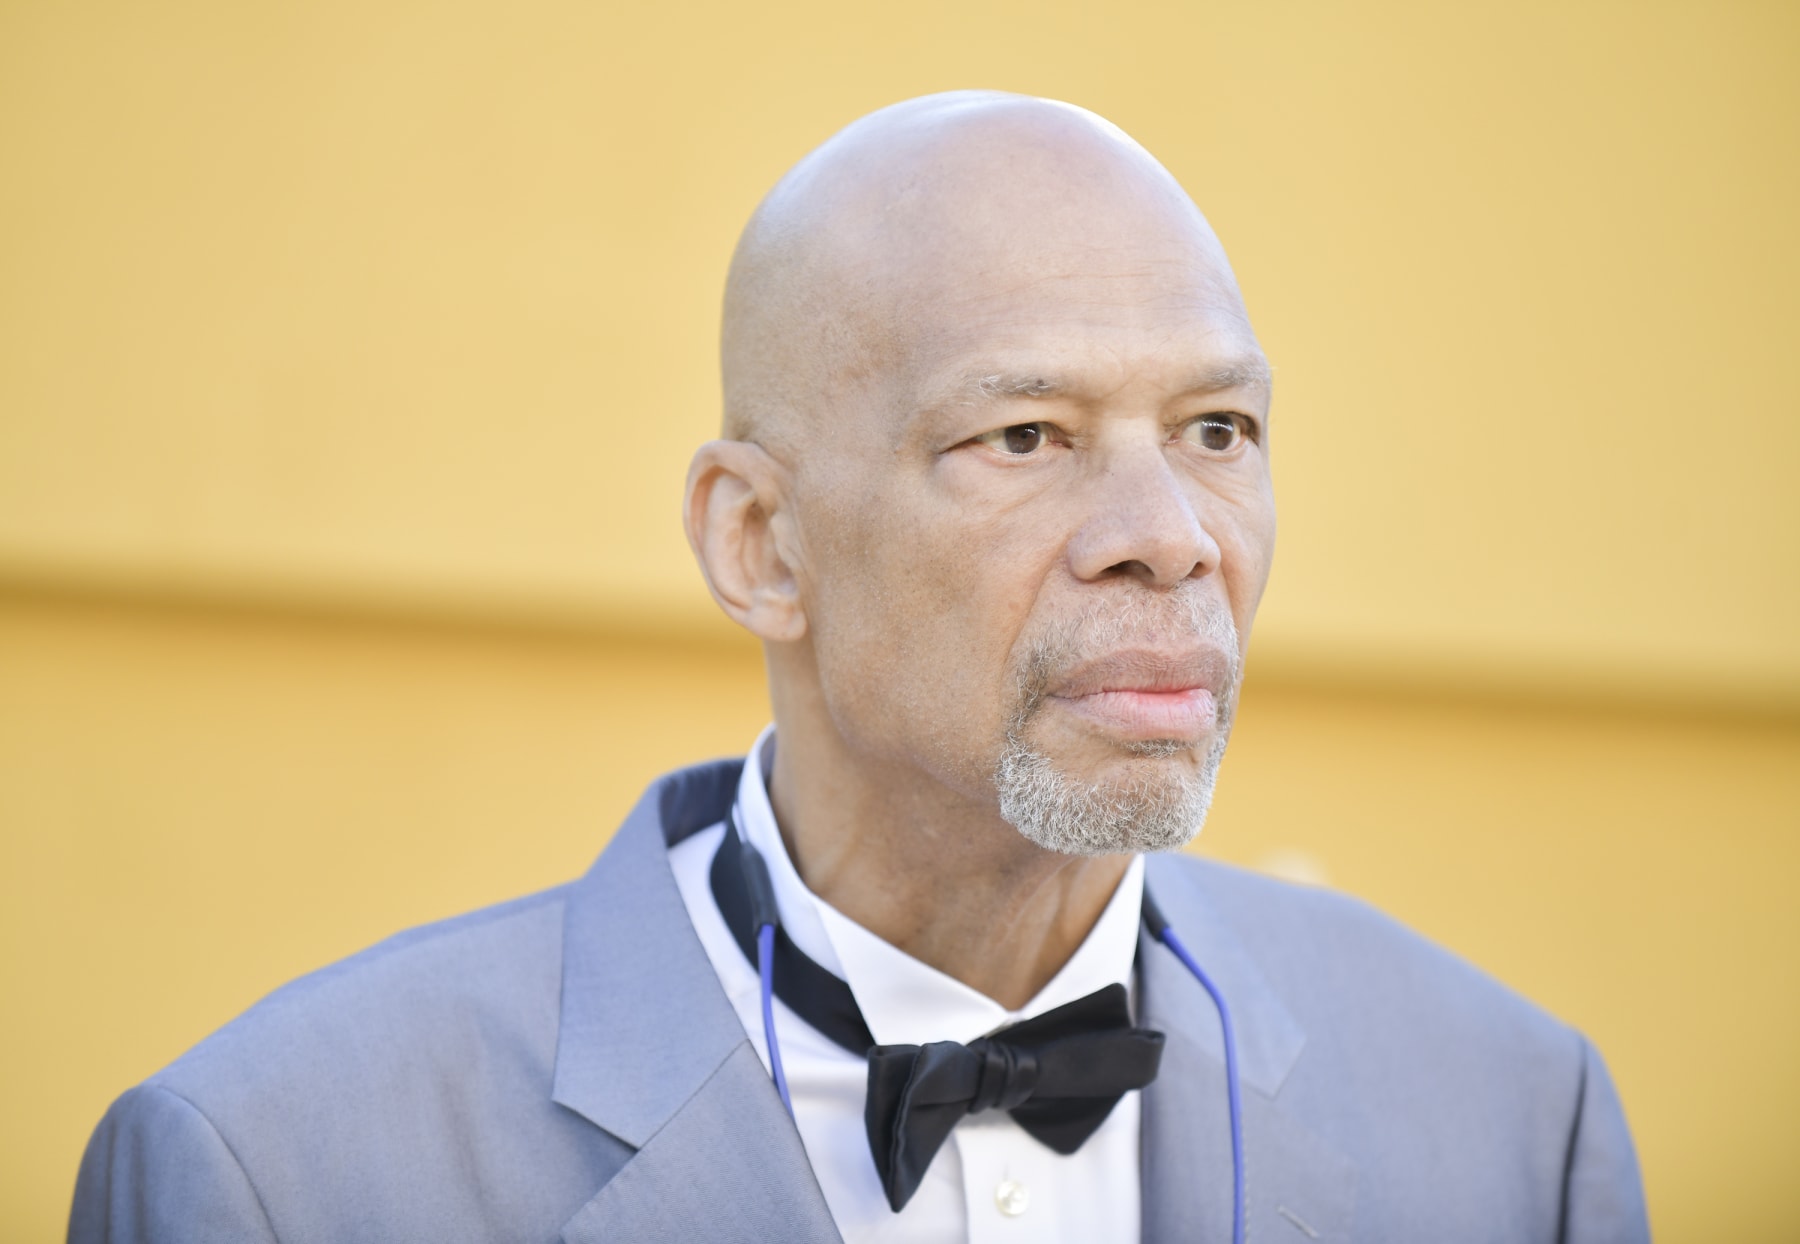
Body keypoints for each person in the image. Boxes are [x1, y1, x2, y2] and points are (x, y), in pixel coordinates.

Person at [69, 91, 1650, 1244]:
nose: (1170, 537)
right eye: (1022, 436)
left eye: (1216, 432)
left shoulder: (1519, 1120)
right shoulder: (281, 1171)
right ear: (761, 542)